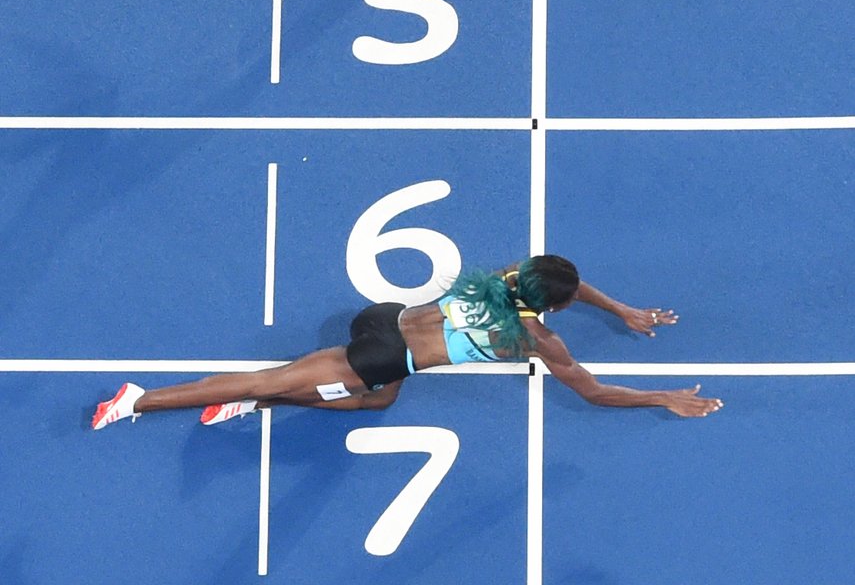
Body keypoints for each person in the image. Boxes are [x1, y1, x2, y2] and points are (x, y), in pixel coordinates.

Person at [91, 255, 723, 429]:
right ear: (550, 308)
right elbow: (591, 392)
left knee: (380, 405)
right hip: (377, 357)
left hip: (383, 316)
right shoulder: (538, 341)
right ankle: (135, 401)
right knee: (269, 380)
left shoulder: (512, 276)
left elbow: (565, 284)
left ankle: (258, 402)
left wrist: (622, 309)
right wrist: (659, 396)